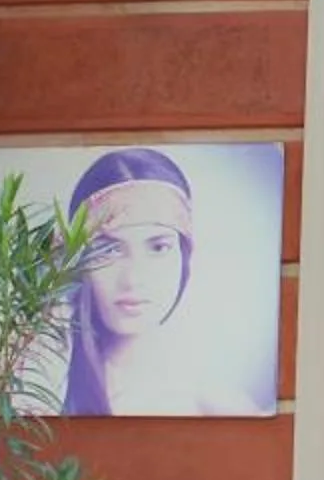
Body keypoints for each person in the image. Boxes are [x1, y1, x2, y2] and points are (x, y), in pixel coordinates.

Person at [60, 148, 266, 416]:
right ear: (79, 261)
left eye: (158, 248)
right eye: (109, 250)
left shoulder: (218, 406)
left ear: (184, 256)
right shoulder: (28, 388)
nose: (133, 279)